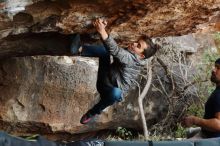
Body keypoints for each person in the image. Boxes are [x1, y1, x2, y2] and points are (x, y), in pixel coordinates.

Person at [70, 18, 159, 124]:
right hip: (105, 77)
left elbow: (116, 50)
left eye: (138, 46)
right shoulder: (132, 53)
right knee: (105, 52)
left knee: (116, 93)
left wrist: (102, 30)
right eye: (136, 42)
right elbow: (114, 49)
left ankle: (92, 113)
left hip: (108, 91)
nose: (134, 44)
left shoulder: (132, 60)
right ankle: (79, 49)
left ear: (141, 55)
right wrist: (108, 26)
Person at [182, 58, 220, 139]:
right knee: (190, 132)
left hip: (211, 139)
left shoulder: (219, 95)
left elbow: (218, 125)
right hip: (209, 134)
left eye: (218, 68)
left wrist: (194, 120)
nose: (213, 70)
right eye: (215, 67)